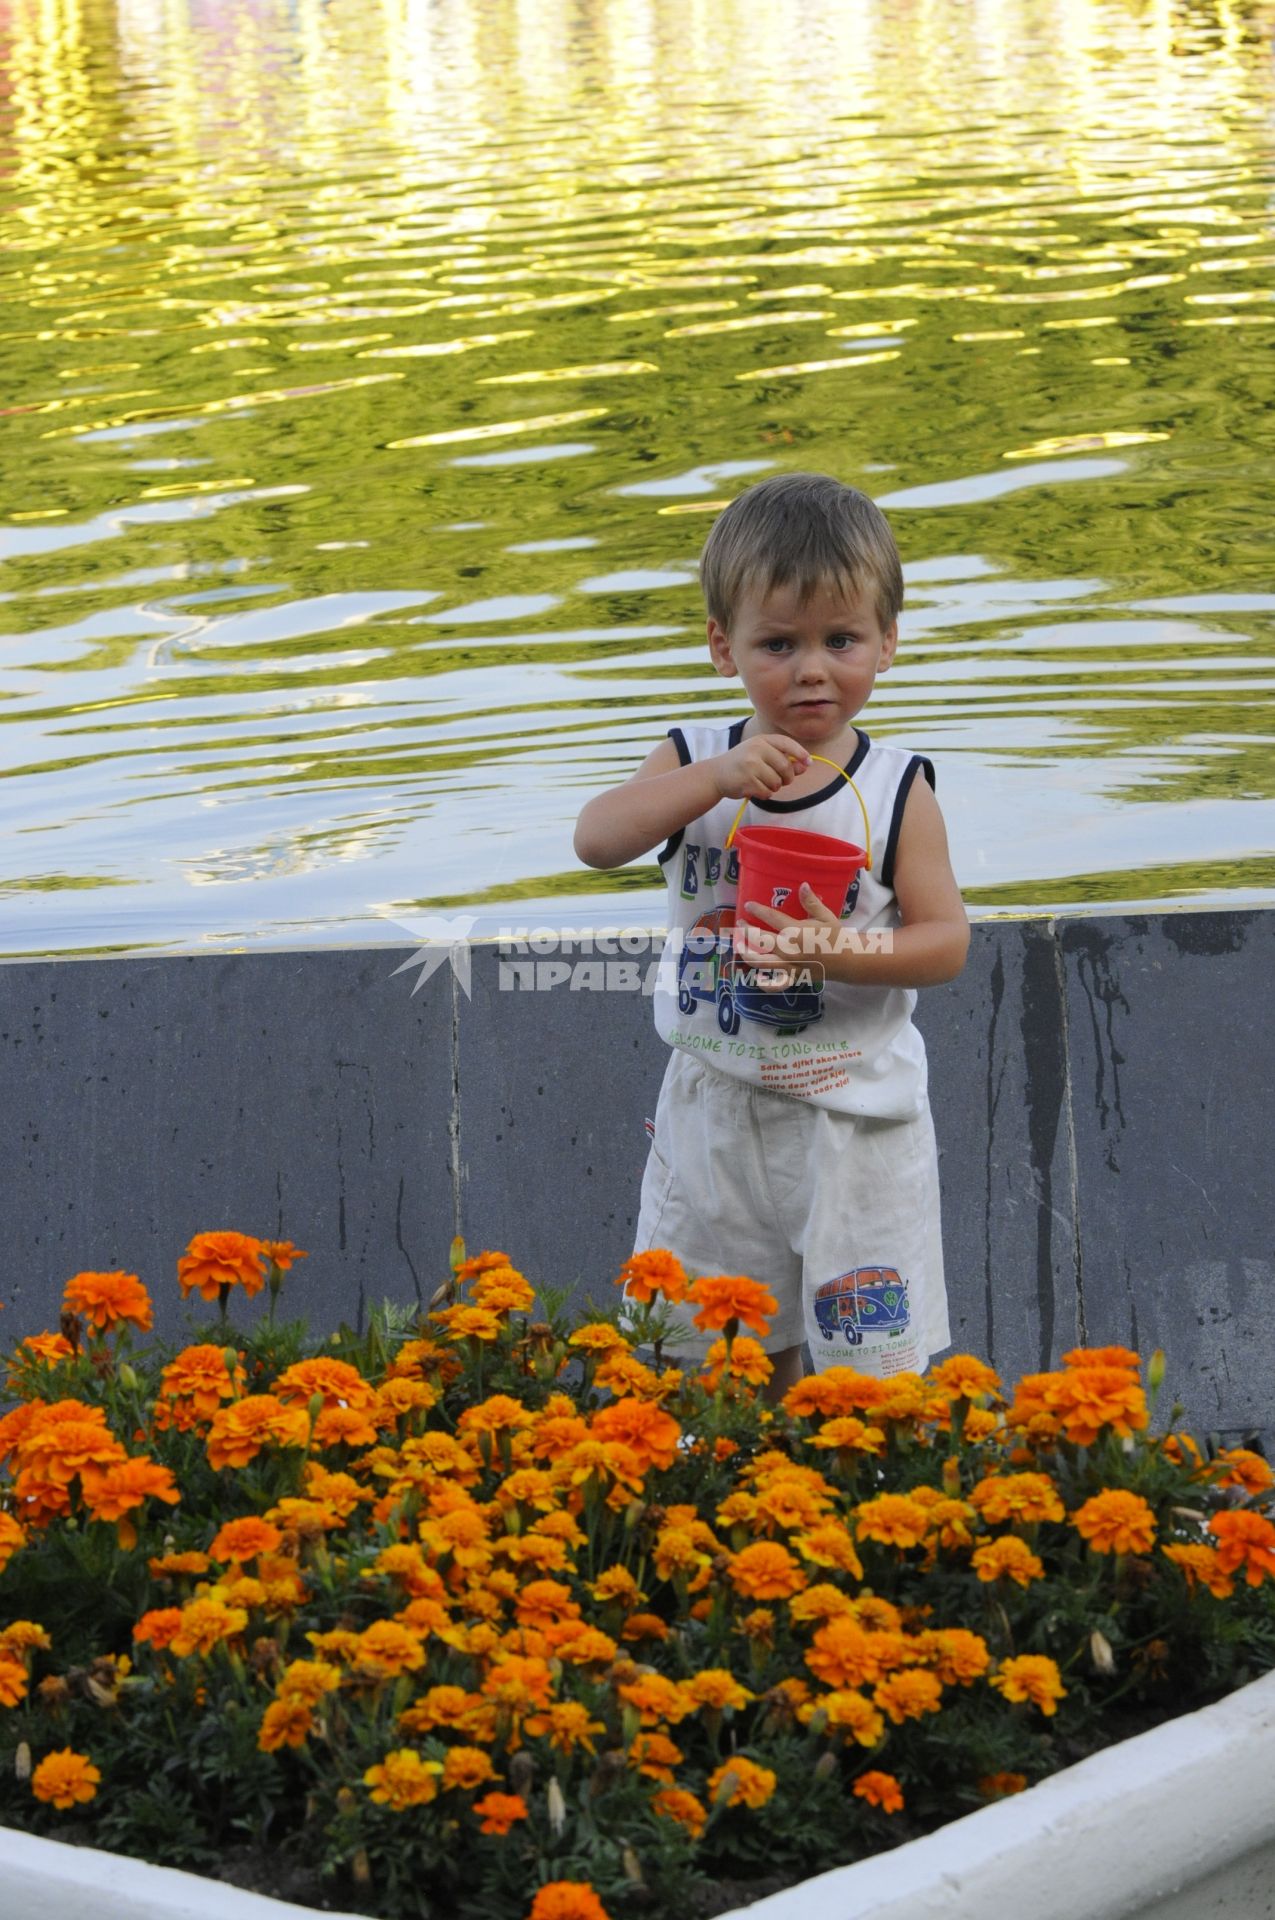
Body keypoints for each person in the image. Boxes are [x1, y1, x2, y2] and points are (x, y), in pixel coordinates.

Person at [574, 472, 968, 1392]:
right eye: (778, 644)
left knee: (861, 1374)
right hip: (714, 1114)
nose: (812, 669)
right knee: (715, 1361)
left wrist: (835, 949)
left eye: (841, 640)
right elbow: (595, 839)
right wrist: (715, 781)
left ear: (887, 642)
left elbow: (944, 941)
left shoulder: (895, 789)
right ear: (724, 647)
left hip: (855, 1124)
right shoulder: (690, 760)